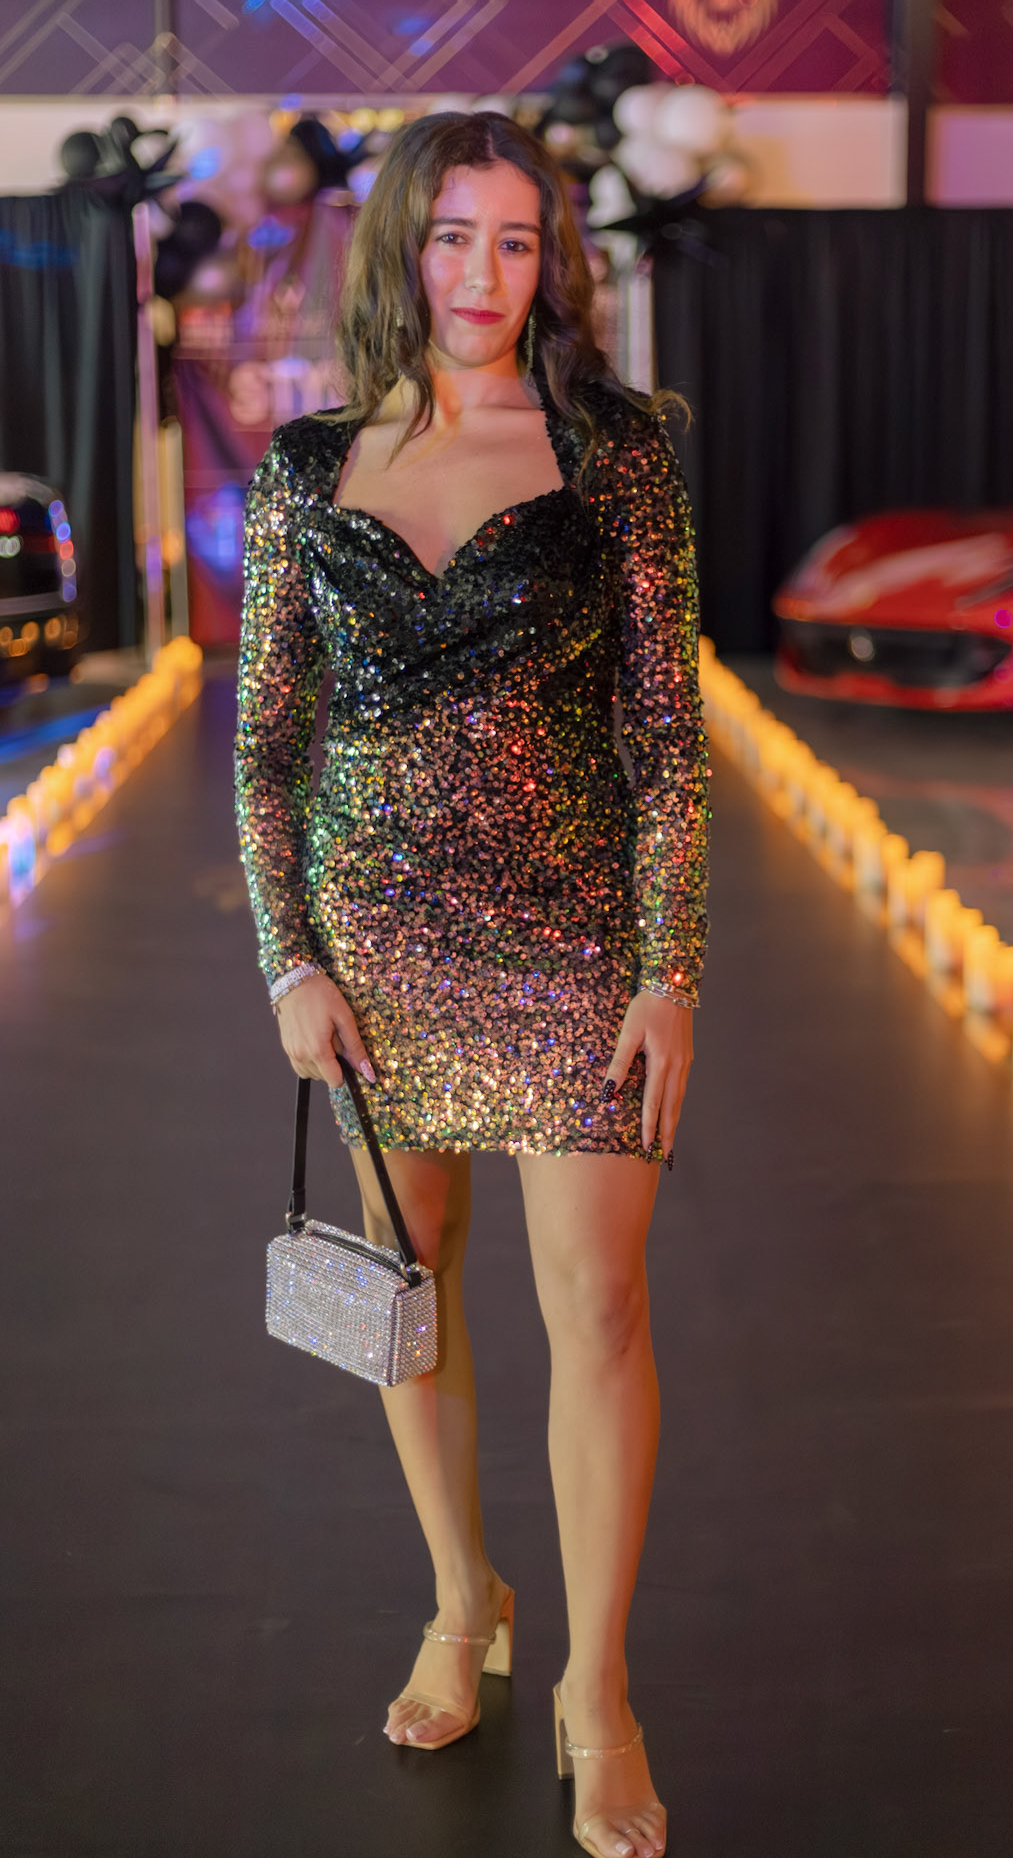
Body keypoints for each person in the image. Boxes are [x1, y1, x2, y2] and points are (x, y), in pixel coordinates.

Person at [234, 111, 709, 1858]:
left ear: (548, 259)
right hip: (378, 947)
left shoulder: (619, 454)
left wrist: (669, 972)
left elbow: (668, 745)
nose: (482, 273)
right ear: (402, 253)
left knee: (601, 1306)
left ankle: (598, 1688)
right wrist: (291, 957)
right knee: (410, 1289)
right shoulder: (304, 468)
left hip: (575, 938)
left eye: (514, 240)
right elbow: (264, 749)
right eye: (451, 236)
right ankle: (461, 1600)